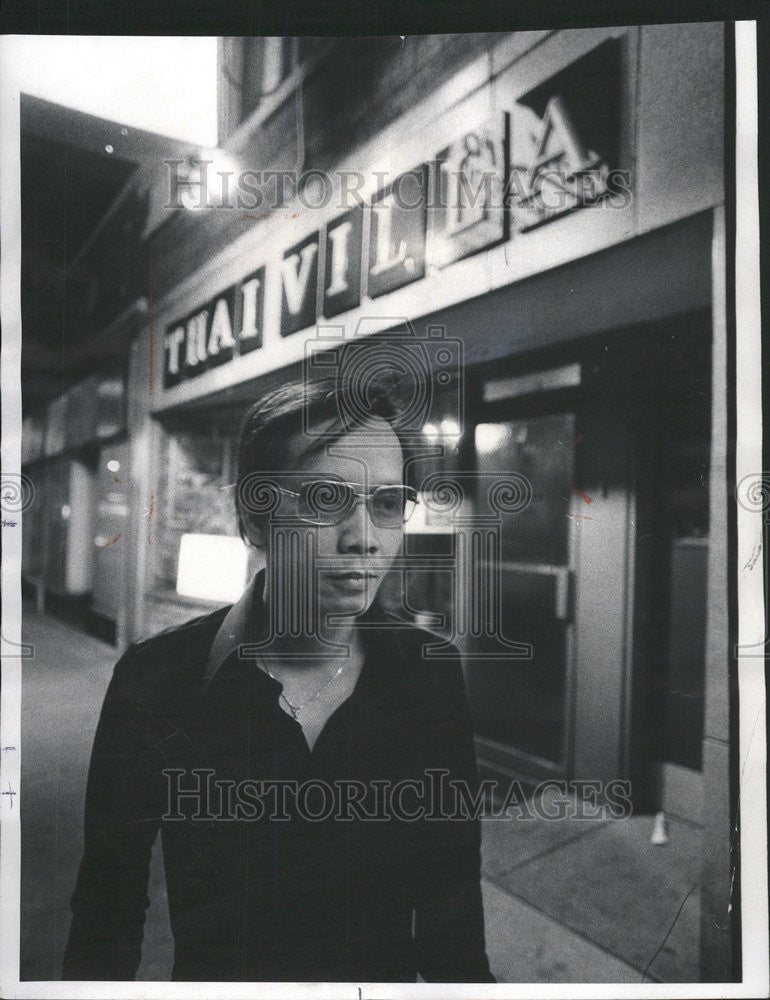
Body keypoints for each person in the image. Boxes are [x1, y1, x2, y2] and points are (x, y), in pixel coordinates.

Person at [63, 374, 494, 983]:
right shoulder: (157, 682)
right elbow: (107, 909)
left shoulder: (429, 676)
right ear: (256, 515)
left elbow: (452, 901)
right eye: (325, 500)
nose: (365, 539)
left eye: (388, 503)